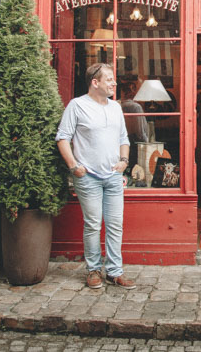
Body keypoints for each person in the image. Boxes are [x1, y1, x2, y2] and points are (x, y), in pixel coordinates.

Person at [56, 63, 135, 289]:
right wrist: (74, 166)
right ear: (95, 82)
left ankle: (114, 271)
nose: (114, 82)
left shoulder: (115, 107)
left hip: (112, 176)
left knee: (115, 224)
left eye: (113, 79)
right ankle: (93, 270)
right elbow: (62, 137)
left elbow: (123, 139)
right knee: (92, 224)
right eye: (109, 79)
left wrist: (124, 162)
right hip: (87, 176)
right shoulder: (77, 105)